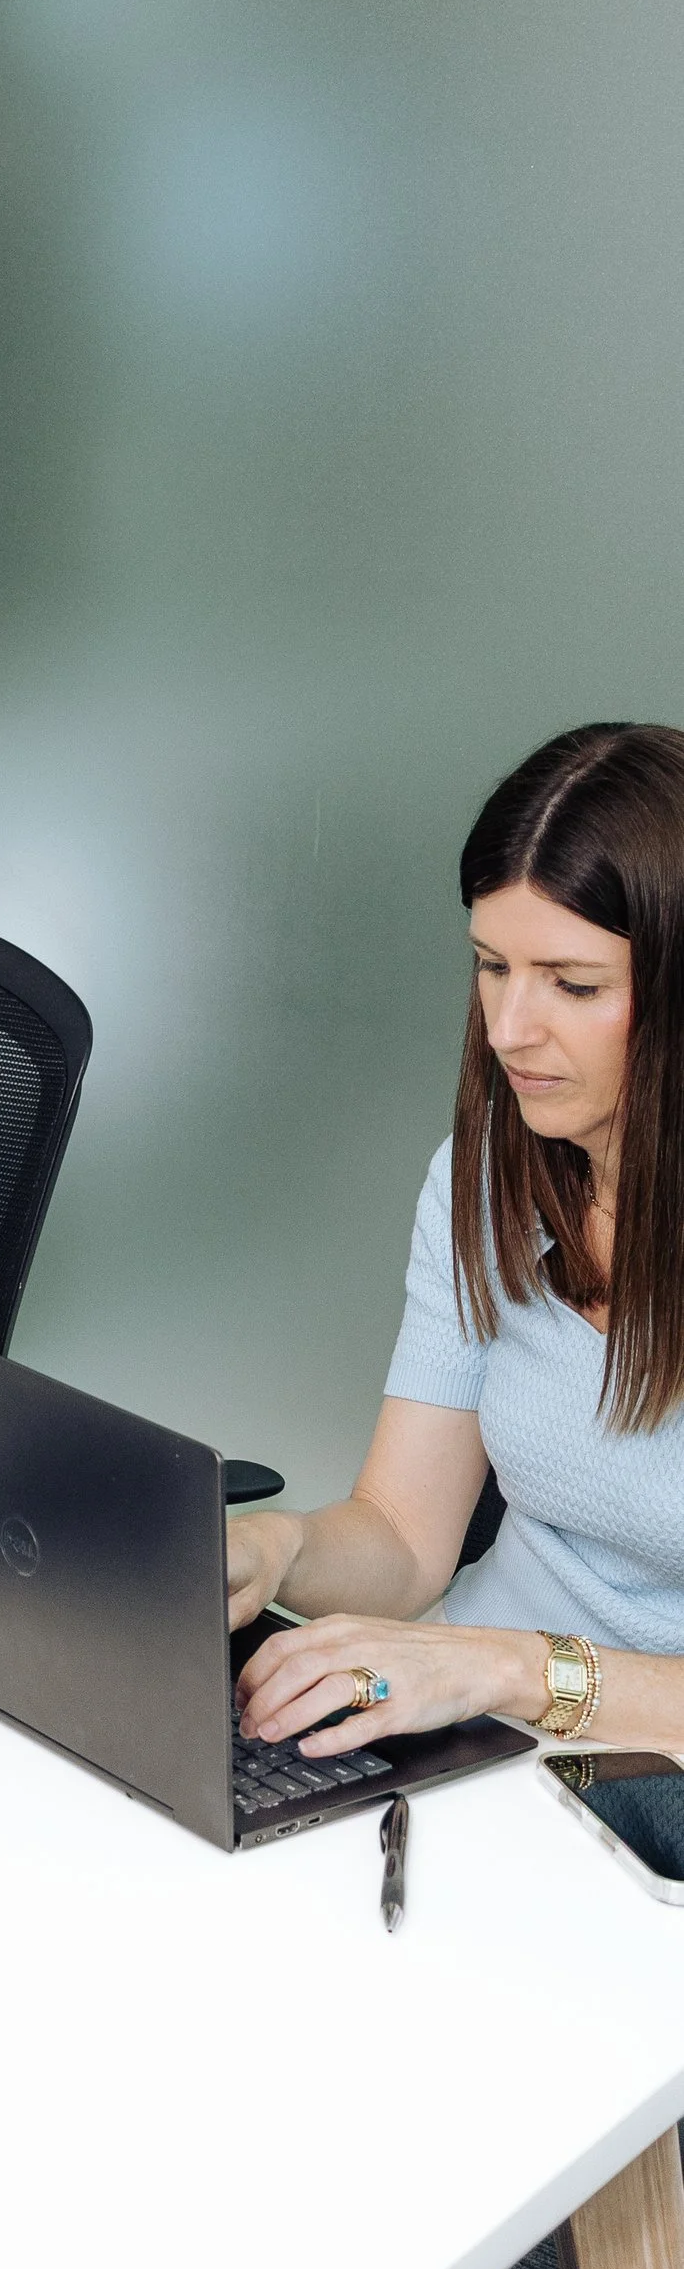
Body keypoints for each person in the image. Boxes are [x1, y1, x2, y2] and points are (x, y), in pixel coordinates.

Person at [234, 725, 684, 1763]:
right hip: (467, 1725)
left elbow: (490, 1658)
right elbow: (402, 1538)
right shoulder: (485, 1177)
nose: (507, 1028)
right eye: (491, 967)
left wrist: (509, 1666)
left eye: (571, 986)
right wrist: (276, 1546)